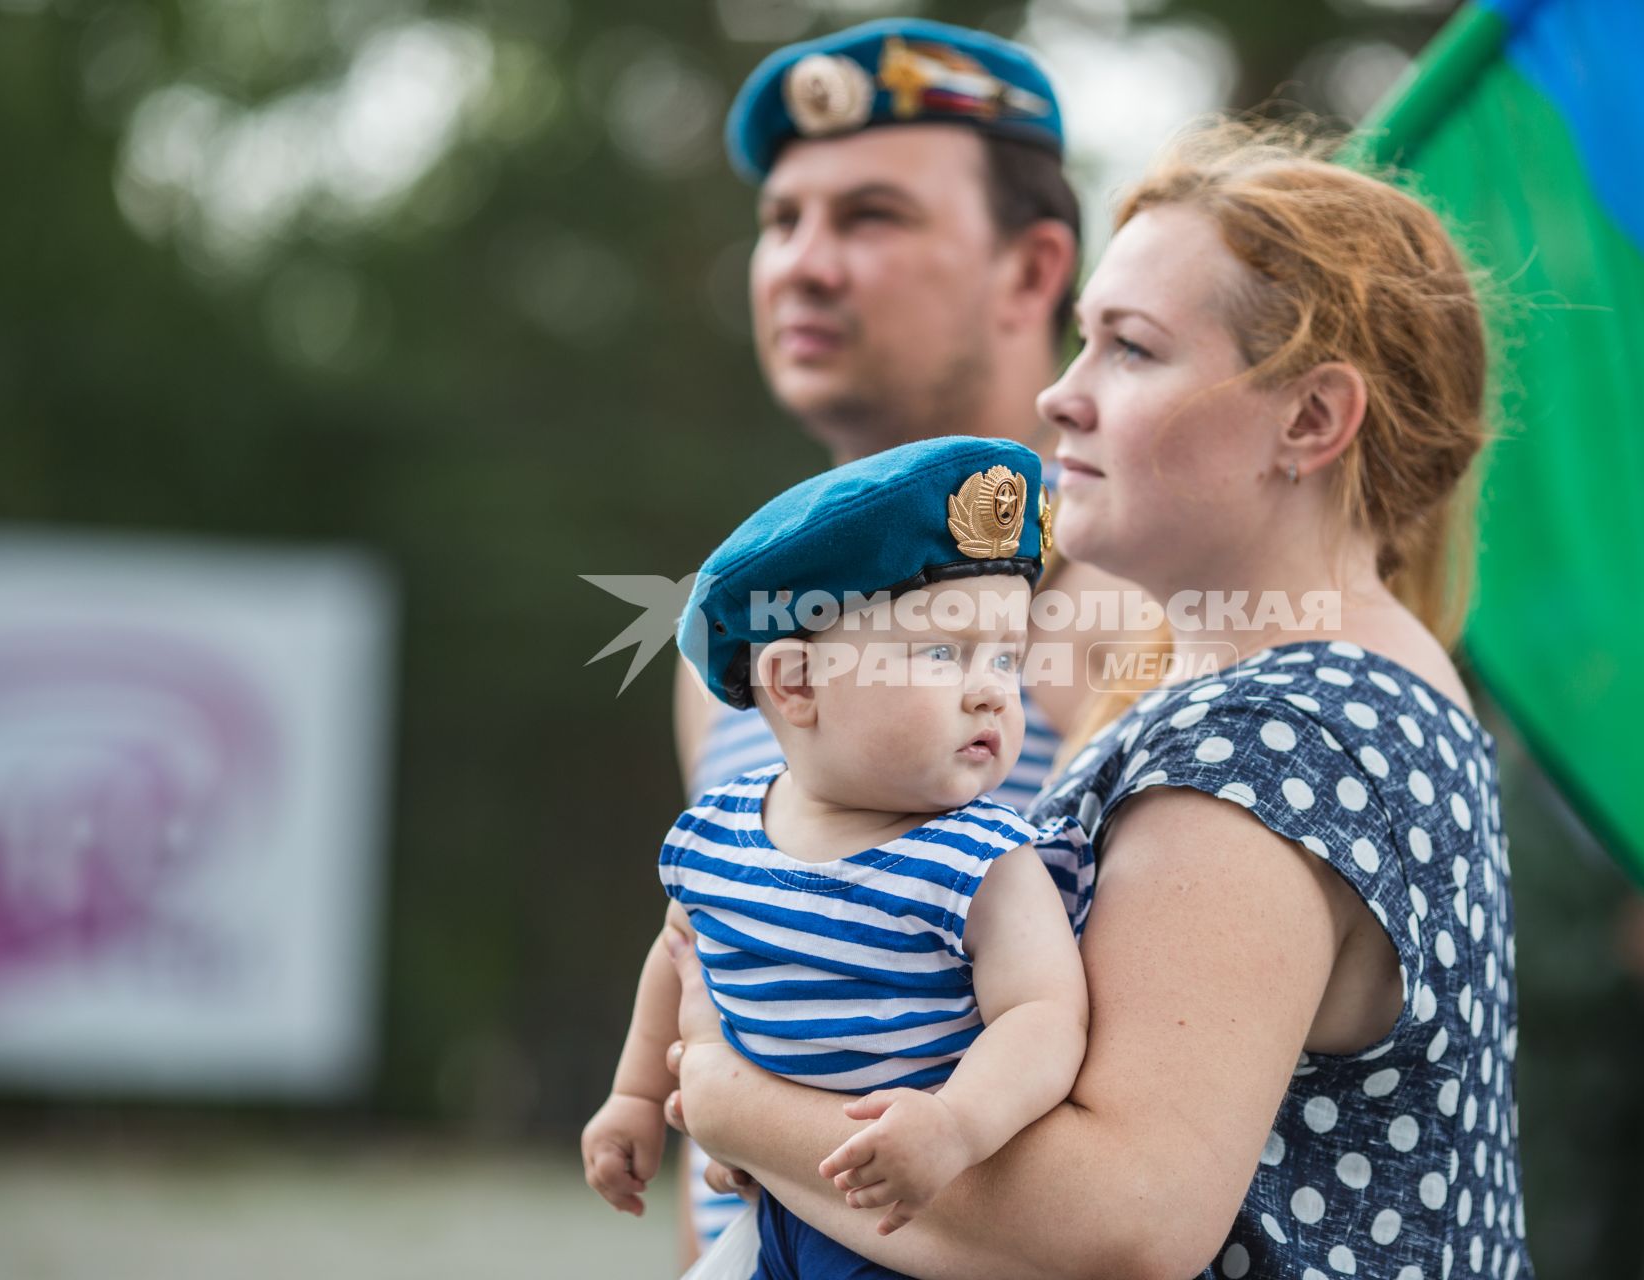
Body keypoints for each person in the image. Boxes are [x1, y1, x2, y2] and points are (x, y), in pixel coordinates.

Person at [656, 119, 1535, 1279]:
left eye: (1130, 348)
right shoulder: (1313, 689)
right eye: (1081, 342)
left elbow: (1122, 1219)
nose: (1061, 397)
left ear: (1312, 421)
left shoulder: (1275, 740)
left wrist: (732, 1104)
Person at [668, 16, 1144, 1258]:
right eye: (783, 221)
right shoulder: (748, 630)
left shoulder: (1133, 596)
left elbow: (1154, 1119)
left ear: (1034, 272)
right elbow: (717, 984)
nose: (803, 265)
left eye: (871, 217)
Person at [582, 437, 1091, 1276]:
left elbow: (1044, 1015)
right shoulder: (720, 833)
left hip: (913, 1228)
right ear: (795, 685)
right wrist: (635, 1098)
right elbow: (677, 960)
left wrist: (959, 1124)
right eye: (944, 652)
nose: (994, 687)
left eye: (1006, 656)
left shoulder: (984, 858)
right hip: (761, 1215)